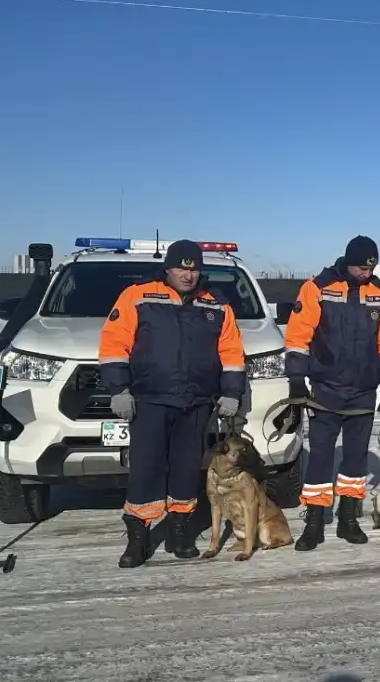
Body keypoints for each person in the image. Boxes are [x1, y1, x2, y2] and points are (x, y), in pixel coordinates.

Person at [98, 239, 245, 568]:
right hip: (150, 400)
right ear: (168, 268)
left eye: (193, 269)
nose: (188, 275)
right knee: (146, 468)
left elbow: (232, 353)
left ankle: (179, 531)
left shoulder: (217, 305)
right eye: (181, 268)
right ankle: (138, 537)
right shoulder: (138, 296)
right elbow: (113, 343)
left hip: (196, 402)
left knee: (185, 468)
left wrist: (231, 392)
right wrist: (118, 389)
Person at [284, 235, 380, 549]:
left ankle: (348, 519)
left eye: (371, 268)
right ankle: (314, 522)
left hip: (363, 391)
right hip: (325, 389)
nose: (367, 274)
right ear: (348, 261)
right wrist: (297, 378)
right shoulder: (317, 288)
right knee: (321, 456)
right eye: (363, 268)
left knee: (355, 459)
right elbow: (298, 335)